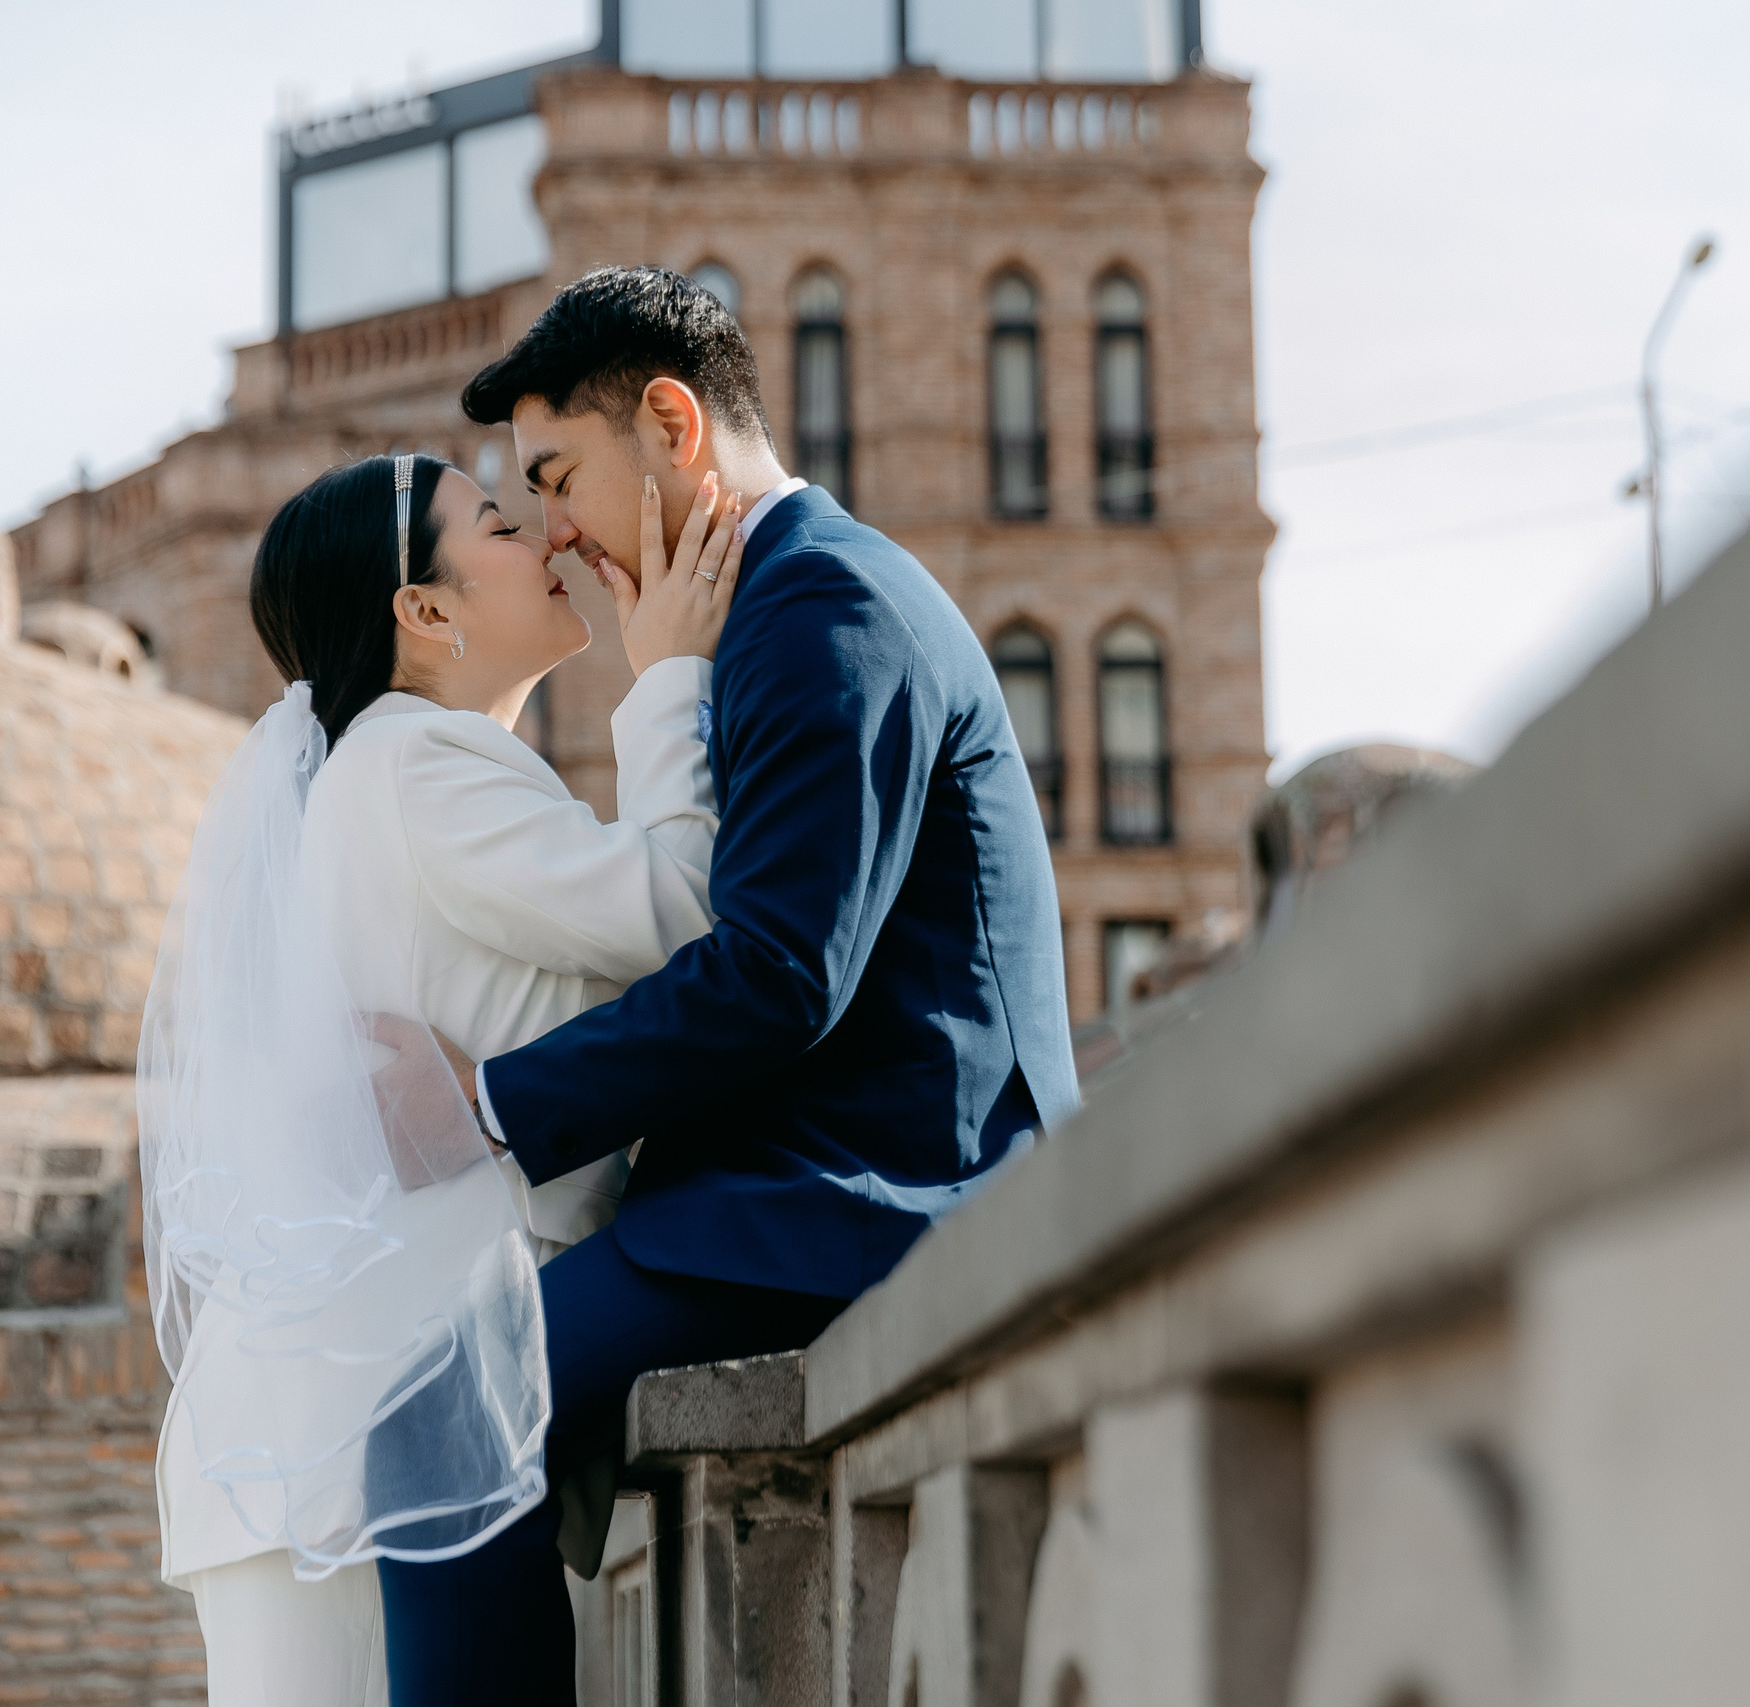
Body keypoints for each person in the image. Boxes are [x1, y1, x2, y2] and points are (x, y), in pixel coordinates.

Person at [373, 266, 1080, 1699]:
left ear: (673, 423)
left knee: (440, 1416)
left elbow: (773, 973)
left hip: (874, 1192)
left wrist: (493, 1105)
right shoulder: (773, 606)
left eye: (560, 475)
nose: (554, 531)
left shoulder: (827, 604)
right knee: (442, 1399)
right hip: (798, 1183)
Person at [140, 449, 747, 1705]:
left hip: (353, 1421)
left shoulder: (391, 769)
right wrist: (673, 671)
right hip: (374, 1433)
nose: (548, 539)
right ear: (425, 610)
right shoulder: (418, 763)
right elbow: (688, 912)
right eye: (498, 522)